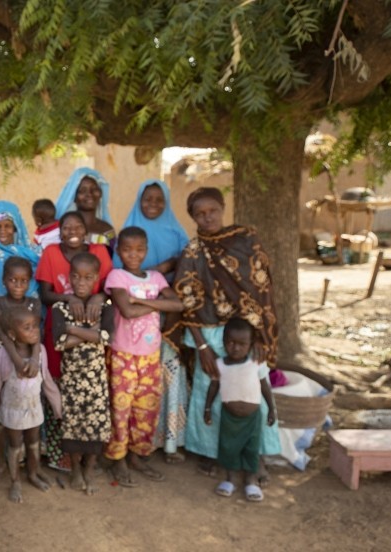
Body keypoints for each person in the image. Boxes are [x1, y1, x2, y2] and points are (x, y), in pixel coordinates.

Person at [173, 186, 282, 481]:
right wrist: (202, 347)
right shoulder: (194, 251)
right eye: (200, 214)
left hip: (247, 333)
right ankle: (212, 452)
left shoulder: (247, 240)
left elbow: (263, 290)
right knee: (210, 393)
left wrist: (259, 337)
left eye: (212, 211)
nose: (207, 218)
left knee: (249, 392)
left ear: (223, 208)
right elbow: (186, 303)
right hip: (209, 334)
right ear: (193, 218)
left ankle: (255, 452)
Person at [115, 180, 191, 464]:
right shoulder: (129, 230)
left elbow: (186, 260)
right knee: (126, 396)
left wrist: (162, 269)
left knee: (160, 384)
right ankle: (123, 452)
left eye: (160, 200)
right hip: (129, 333)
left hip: (166, 319)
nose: (153, 204)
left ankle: (164, 440)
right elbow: (118, 282)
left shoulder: (175, 231)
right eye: (147, 199)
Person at [103, 227, 183, 487]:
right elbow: (126, 311)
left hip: (150, 356)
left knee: (146, 408)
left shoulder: (157, 278)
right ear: (119, 251)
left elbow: (178, 305)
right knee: (121, 408)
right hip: (123, 354)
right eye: (127, 249)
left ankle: (138, 455)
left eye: (139, 249)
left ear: (146, 250)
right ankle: (118, 459)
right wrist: (152, 303)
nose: (133, 254)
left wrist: (143, 302)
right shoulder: (117, 276)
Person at [35, 211, 111, 471]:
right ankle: (59, 455)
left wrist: (99, 298)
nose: (72, 231)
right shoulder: (51, 254)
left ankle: (87, 456)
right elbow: (45, 295)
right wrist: (71, 299)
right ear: (60, 231)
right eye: (67, 227)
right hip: (57, 327)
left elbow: (106, 287)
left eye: (78, 226)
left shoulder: (99, 251)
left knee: (90, 399)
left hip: (89, 335)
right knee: (58, 393)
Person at [0, 307, 61, 504]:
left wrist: (57, 407)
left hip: (34, 409)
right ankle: (15, 480)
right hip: (13, 412)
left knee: (34, 442)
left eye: (35, 326)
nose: (35, 330)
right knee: (15, 445)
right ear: (12, 334)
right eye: (27, 328)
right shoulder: (3, 354)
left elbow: (48, 382)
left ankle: (33, 473)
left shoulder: (40, 352)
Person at [52, 252, 111, 495]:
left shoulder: (104, 306)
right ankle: (75, 469)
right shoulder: (60, 306)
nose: (81, 282)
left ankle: (89, 470)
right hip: (73, 380)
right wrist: (91, 332)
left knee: (96, 427)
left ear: (97, 278)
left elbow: (106, 338)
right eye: (76, 276)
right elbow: (58, 343)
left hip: (97, 380)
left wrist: (73, 329)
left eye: (88, 277)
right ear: (69, 277)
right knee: (72, 426)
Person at [204, 317, 277, 502]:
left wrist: (271, 409)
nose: (235, 348)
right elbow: (213, 387)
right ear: (223, 342)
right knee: (229, 447)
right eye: (230, 343)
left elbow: (265, 387)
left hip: (253, 417)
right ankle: (230, 479)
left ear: (251, 344)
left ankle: (251, 482)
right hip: (229, 416)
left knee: (251, 448)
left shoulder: (256, 363)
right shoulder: (219, 365)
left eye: (242, 344)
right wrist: (207, 408)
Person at [0, 200, 41, 309]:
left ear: (15, 227)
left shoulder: (33, 253)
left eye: (7, 226)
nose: (2, 231)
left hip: (32, 317)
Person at [54, 167, 115, 245]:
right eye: (83, 190)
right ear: (74, 197)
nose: (89, 194)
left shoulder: (107, 229)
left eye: (94, 189)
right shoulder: (63, 229)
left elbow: (113, 256)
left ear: (100, 193)